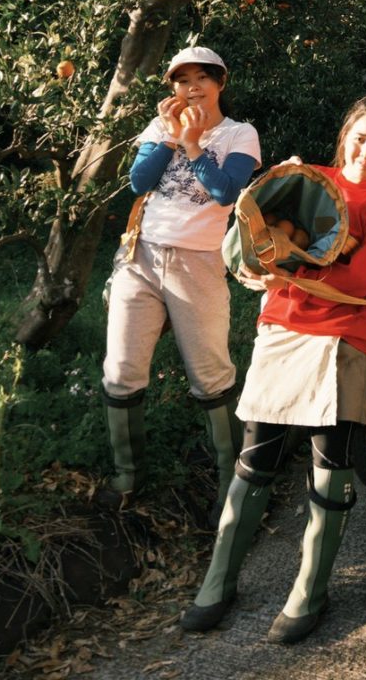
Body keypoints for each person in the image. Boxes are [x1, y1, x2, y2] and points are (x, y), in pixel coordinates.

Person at [180, 94, 366, 645]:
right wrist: (265, 256)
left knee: (329, 466)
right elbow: (245, 247)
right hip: (285, 330)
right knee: (254, 458)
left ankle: (309, 592)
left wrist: (288, 266)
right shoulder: (307, 180)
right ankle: (218, 583)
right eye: (360, 137)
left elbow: (363, 281)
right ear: (344, 136)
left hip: (343, 339)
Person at [99, 46, 261, 526]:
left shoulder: (239, 134)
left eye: (200, 79)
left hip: (197, 264)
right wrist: (172, 137)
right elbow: (138, 181)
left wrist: (193, 143)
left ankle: (233, 482)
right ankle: (127, 477)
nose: (190, 88)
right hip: (141, 257)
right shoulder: (160, 129)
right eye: (181, 80)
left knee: (210, 373)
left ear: (220, 83)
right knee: (121, 369)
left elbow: (224, 192)